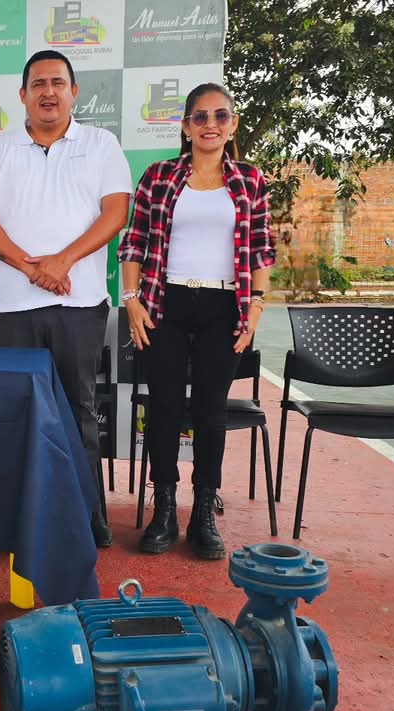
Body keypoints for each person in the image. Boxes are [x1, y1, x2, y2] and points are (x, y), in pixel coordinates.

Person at [0, 50, 132, 548]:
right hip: (15, 306)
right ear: (23, 95)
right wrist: (32, 268)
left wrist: (62, 261)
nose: (48, 92)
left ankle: (87, 513)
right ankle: (22, 515)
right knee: (18, 411)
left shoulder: (101, 144)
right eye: (38, 83)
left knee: (79, 407)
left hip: (80, 304)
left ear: (73, 92)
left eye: (58, 82)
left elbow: (115, 214)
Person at [118, 82, 275, 560]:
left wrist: (255, 309)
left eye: (220, 116)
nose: (211, 124)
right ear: (186, 126)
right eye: (200, 117)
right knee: (164, 409)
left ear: (233, 124)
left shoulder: (249, 180)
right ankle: (164, 510)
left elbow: (262, 248)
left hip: (224, 308)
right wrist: (132, 301)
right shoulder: (159, 176)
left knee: (210, 412)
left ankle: (203, 512)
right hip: (164, 304)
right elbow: (134, 242)